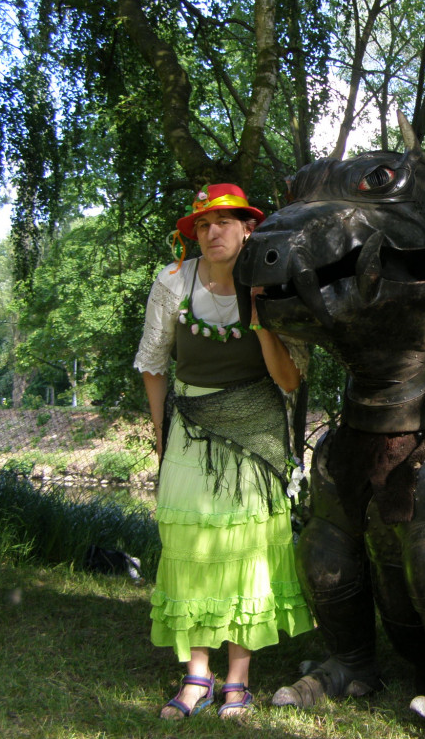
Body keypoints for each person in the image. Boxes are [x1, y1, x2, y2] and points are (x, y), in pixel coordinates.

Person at [134, 183, 313, 720]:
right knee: (188, 544)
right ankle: (196, 676)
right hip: (189, 428)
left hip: (256, 432)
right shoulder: (172, 282)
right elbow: (153, 363)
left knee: (247, 549)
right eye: (204, 225)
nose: (213, 232)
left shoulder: (275, 285)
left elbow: (289, 380)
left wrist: (260, 321)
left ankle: (237, 678)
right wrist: (161, 434)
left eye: (225, 222)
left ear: (248, 229)